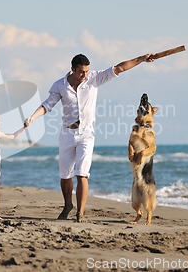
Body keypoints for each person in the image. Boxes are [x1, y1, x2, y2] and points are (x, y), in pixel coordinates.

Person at [24, 53, 155, 222]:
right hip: (67, 134)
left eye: (87, 71)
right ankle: (68, 205)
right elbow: (47, 105)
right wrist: (32, 118)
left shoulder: (94, 78)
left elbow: (120, 67)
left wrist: (142, 59)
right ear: (72, 69)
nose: (84, 75)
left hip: (86, 134)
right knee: (65, 176)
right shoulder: (60, 85)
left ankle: (80, 213)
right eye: (81, 72)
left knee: (82, 174)